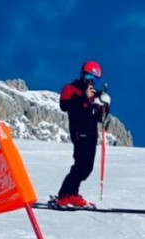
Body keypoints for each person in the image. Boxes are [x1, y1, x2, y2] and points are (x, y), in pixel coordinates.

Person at [55, 61, 111, 208]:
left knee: (87, 168)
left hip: (92, 134)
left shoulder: (94, 96)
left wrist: (105, 105)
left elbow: (102, 119)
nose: (90, 81)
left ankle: (72, 193)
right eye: (88, 77)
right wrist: (84, 97)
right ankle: (66, 194)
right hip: (80, 131)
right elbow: (64, 105)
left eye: (94, 79)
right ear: (82, 75)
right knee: (81, 165)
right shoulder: (71, 89)